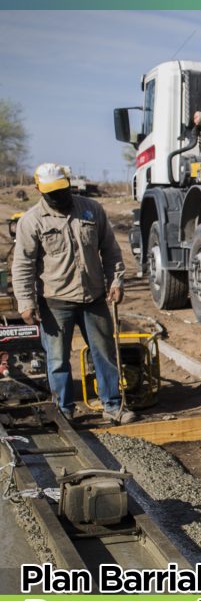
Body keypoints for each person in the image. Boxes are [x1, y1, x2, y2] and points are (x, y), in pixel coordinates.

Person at [12, 163, 135, 424]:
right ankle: (64, 411)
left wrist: (116, 282)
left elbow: (111, 250)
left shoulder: (92, 211)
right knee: (57, 359)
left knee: (104, 352)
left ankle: (112, 405)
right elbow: (23, 265)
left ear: (69, 184)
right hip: (55, 302)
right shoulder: (31, 221)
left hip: (94, 299)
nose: (58, 196)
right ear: (38, 190)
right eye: (51, 192)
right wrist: (26, 302)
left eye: (62, 190)